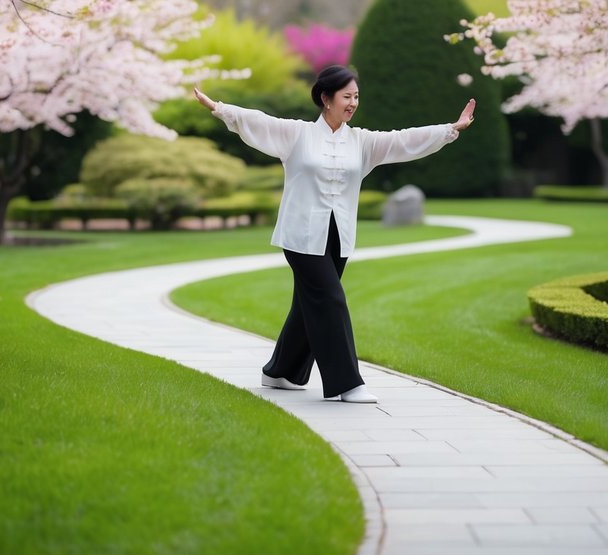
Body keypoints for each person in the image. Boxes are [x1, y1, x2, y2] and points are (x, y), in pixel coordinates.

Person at [193, 64, 475, 403]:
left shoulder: (362, 142)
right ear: (326, 99)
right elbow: (259, 122)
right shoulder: (297, 135)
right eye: (347, 96)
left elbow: (403, 140)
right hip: (300, 236)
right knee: (329, 300)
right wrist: (220, 109)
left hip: (338, 236)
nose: (353, 102)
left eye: (356, 96)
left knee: (307, 305)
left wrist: (450, 130)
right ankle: (347, 383)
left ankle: (279, 372)